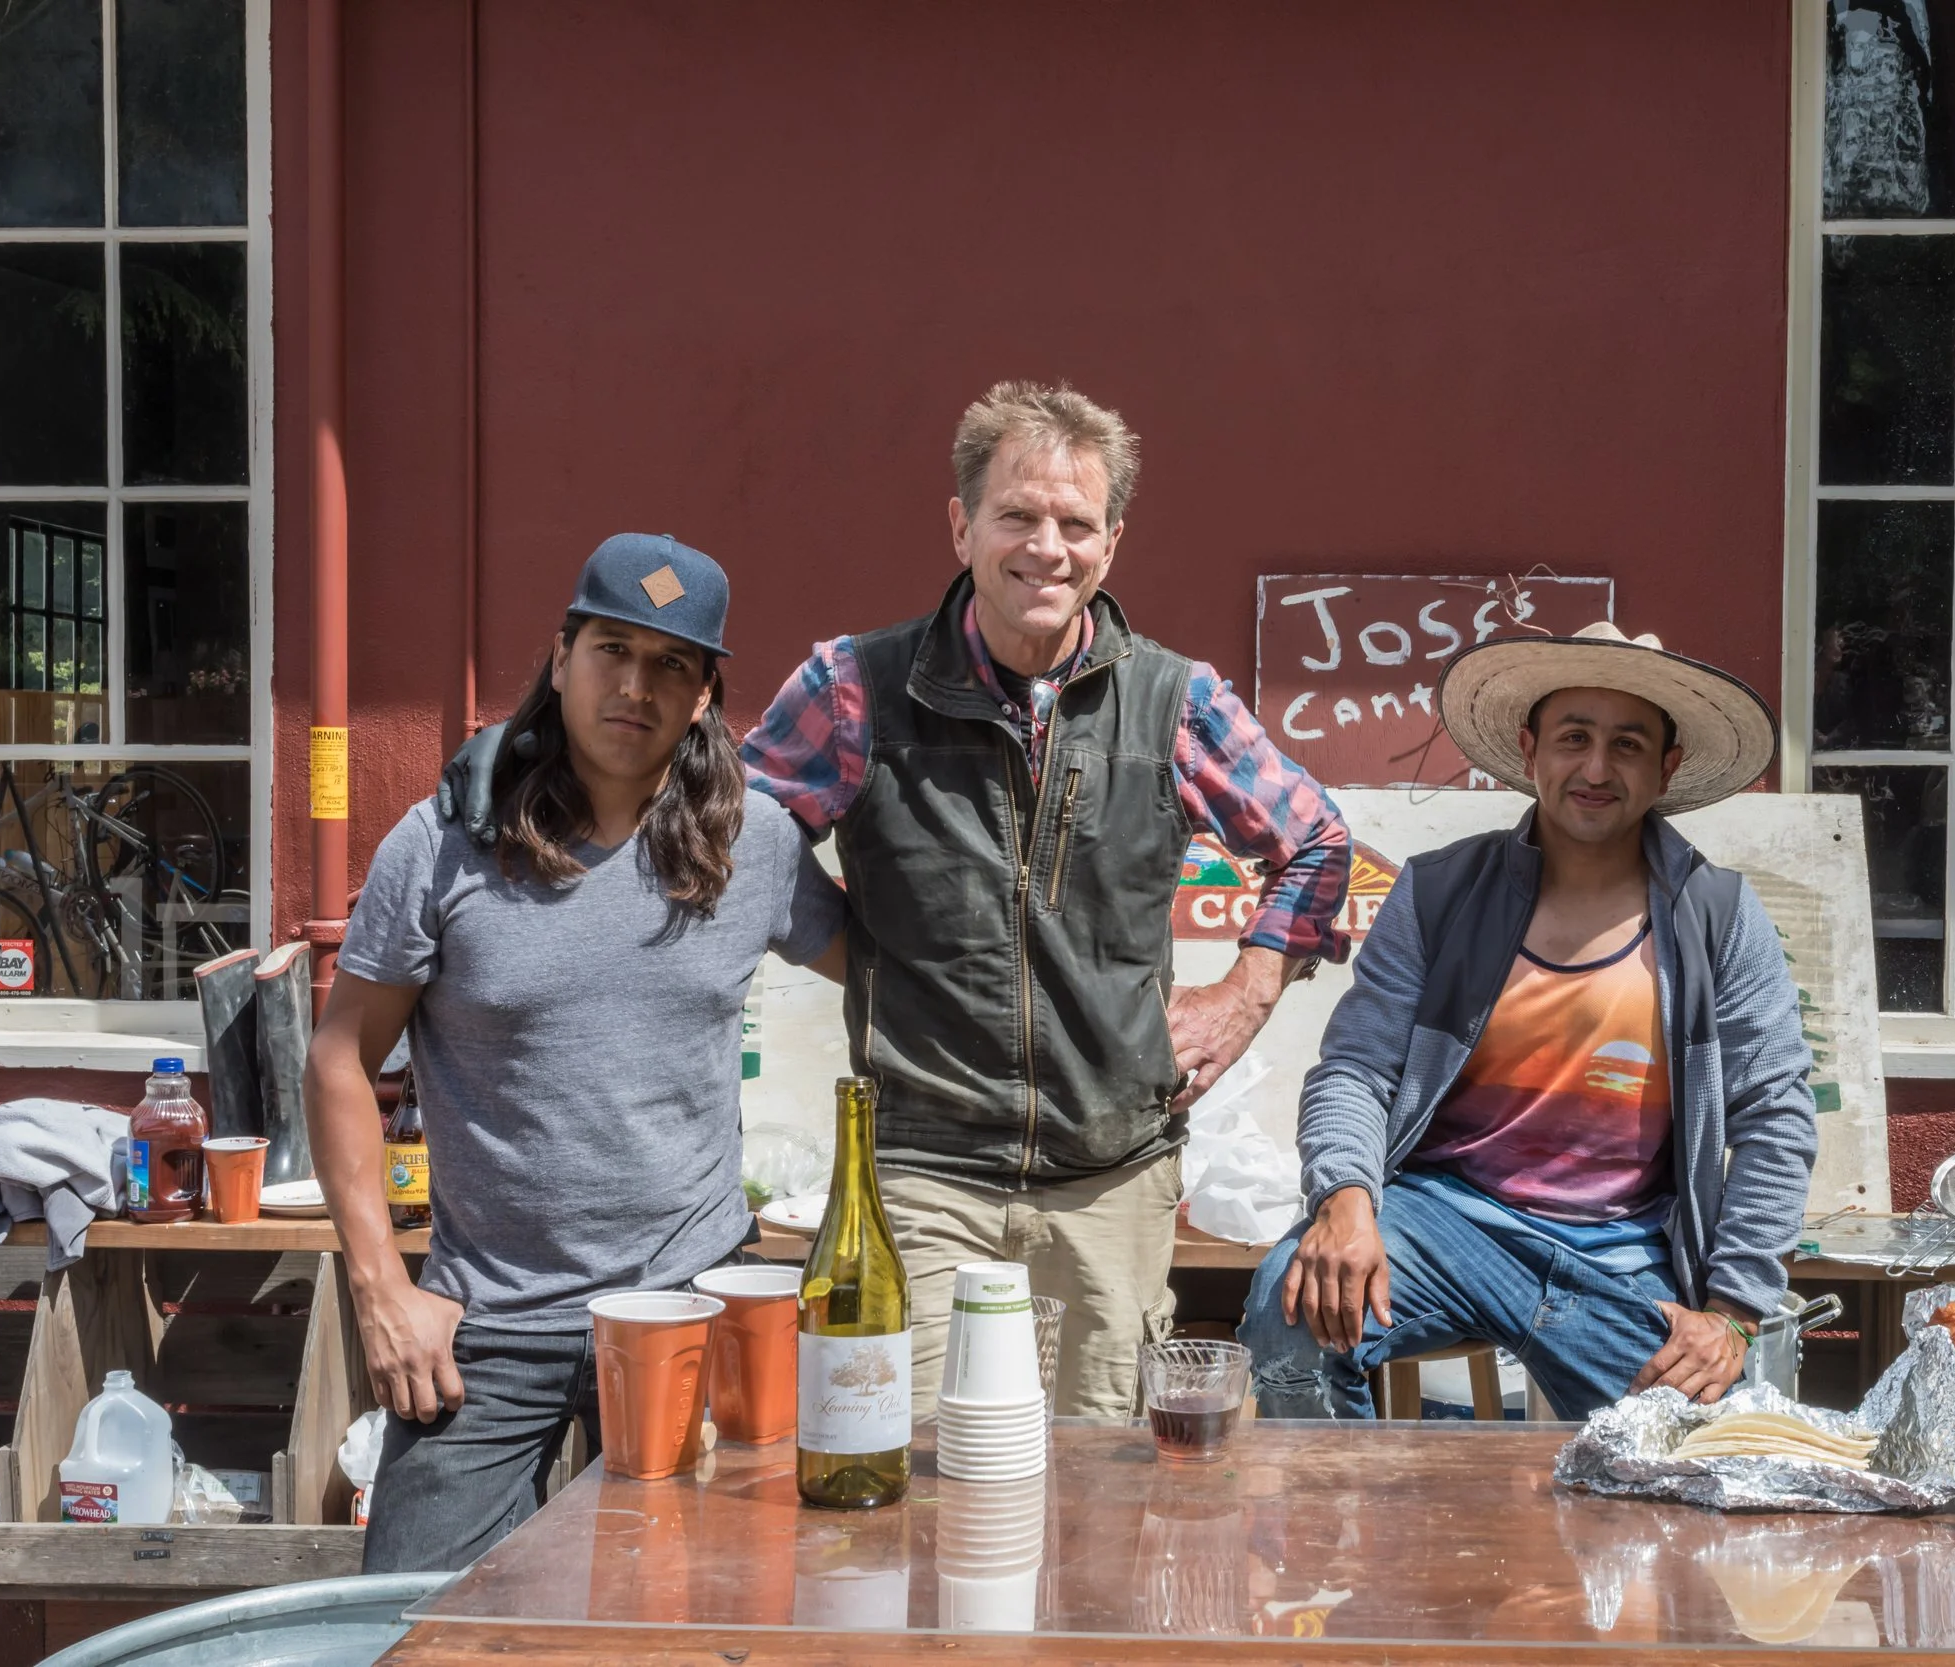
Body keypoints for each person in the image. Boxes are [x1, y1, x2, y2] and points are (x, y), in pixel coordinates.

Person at [736, 382, 1353, 1417]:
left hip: (1109, 1179)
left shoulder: (1174, 700)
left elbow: (1319, 843)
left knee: (1099, 1505)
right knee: (910, 1476)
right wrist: (852, 945)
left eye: (1076, 523)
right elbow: (742, 840)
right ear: (961, 524)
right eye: (1018, 514)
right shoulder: (855, 688)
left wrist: (1241, 992)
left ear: (1112, 541)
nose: (1046, 547)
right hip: (920, 1173)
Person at [309, 534, 845, 1572]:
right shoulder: (442, 843)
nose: (635, 685)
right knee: (414, 1625)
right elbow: (339, 1058)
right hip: (486, 1323)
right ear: (560, 658)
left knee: (697, 1624)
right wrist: (382, 1288)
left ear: (703, 696)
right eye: (612, 649)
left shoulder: (756, 844)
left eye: (671, 664)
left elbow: (898, 980)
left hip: (693, 1310)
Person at [1238, 620, 1816, 1418]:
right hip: (1444, 1226)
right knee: (1289, 1308)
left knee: (1704, 1452)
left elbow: (1775, 1117)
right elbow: (1356, 1069)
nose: (1595, 767)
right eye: (1573, 736)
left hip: (1622, 1258)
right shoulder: (1440, 893)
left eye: (1628, 744)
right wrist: (1344, 1198)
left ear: (1666, 767)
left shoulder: (1717, 916)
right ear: (1530, 749)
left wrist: (1735, 1312)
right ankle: (1337, 1537)